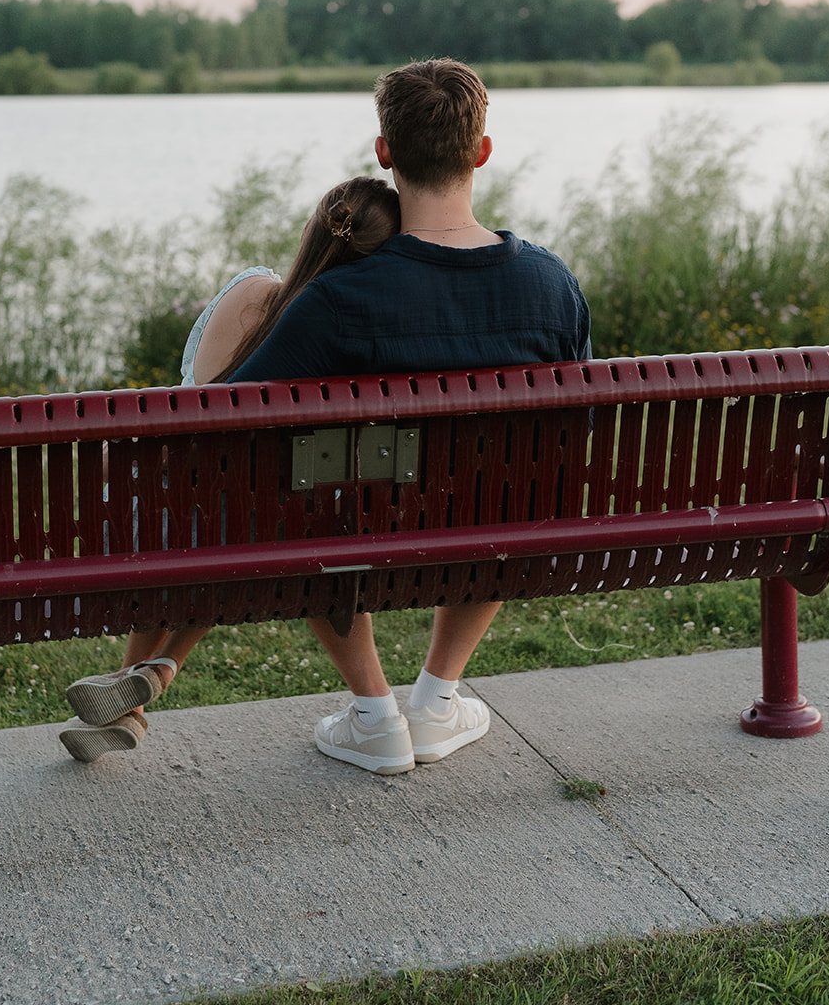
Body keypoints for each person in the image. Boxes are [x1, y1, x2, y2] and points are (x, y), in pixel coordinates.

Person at [226, 58, 591, 776]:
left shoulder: (339, 299)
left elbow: (230, 423)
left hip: (359, 531)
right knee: (507, 480)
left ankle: (373, 714)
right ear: (480, 151)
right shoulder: (550, 284)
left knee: (302, 486)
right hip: (499, 526)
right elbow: (567, 437)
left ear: (384, 152)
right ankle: (435, 699)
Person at [58, 176, 400, 761]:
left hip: (173, 520)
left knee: (212, 507)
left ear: (311, 229)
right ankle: (154, 674)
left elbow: (194, 420)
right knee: (254, 511)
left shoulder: (251, 291)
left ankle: (139, 688)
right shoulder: (353, 335)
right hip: (271, 527)